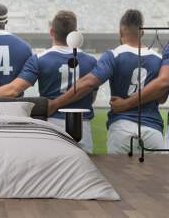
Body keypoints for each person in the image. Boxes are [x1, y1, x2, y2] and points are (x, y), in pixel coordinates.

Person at [49, 9, 165, 154]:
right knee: (157, 176)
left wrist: (55, 103)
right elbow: (162, 98)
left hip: (122, 128)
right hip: (152, 130)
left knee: (118, 176)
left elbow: (90, 83)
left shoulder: (113, 55)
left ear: (121, 32)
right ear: (142, 33)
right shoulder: (159, 59)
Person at [0, 11, 97, 153]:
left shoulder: (39, 59)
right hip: (82, 125)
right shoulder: (91, 61)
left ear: (51, 32)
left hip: (52, 125)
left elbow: (13, 89)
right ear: (75, 34)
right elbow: (92, 97)